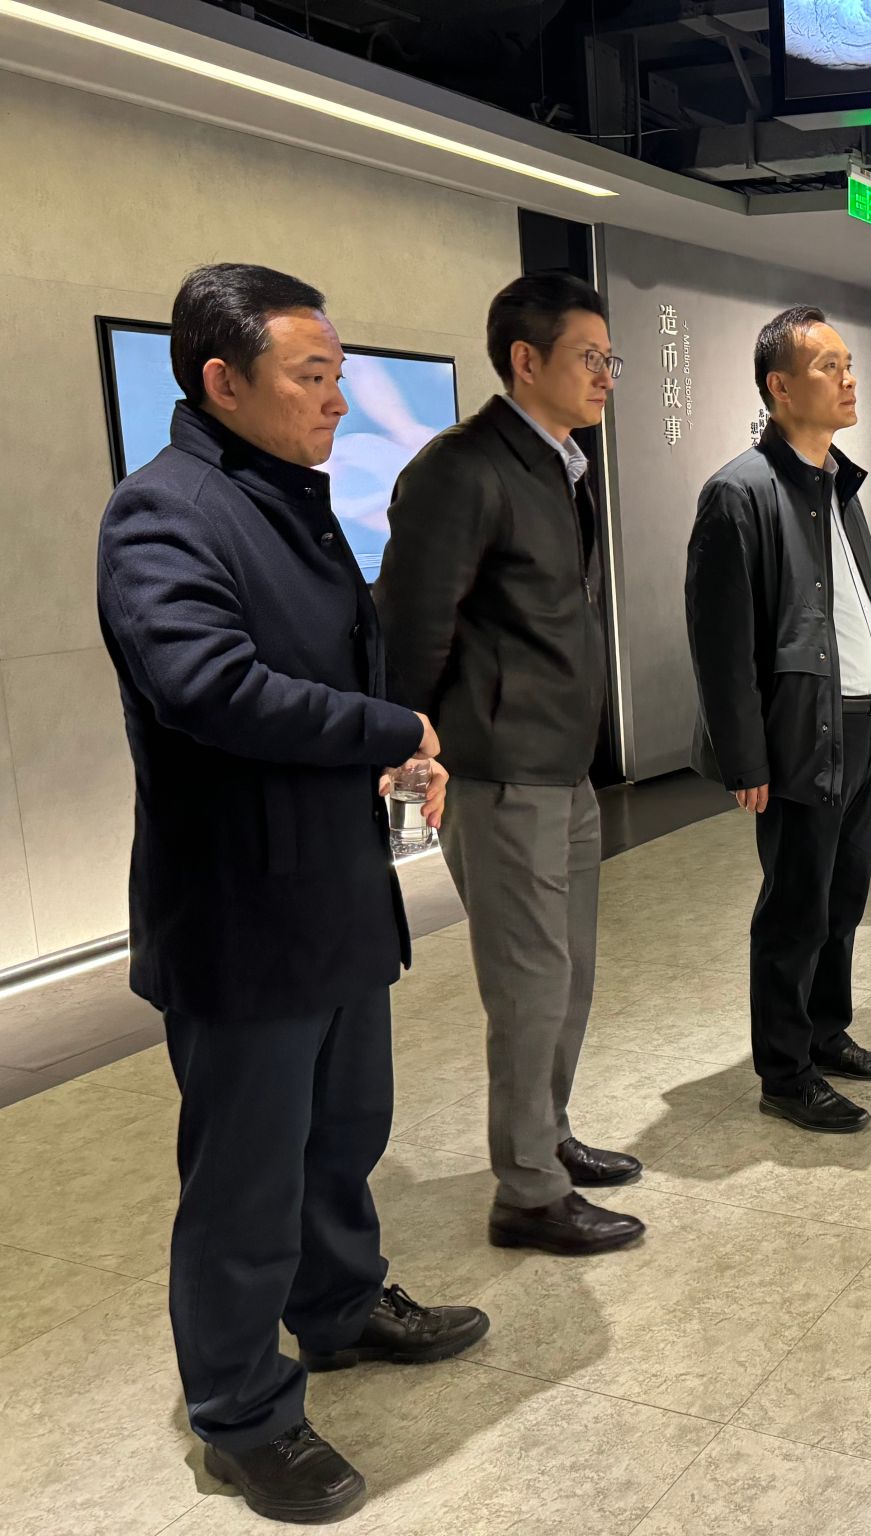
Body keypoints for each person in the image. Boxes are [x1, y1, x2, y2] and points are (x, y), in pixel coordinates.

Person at [97, 263, 489, 1526]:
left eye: (339, 376)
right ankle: (242, 1415)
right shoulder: (161, 515)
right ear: (223, 382)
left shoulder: (286, 501)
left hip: (334, 894)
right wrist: (389, 726)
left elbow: (326, 669)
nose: (336, 401)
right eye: (312, 377)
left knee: (341, 1136)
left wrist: (389, 750)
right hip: (240, 915)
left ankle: (337, 1308)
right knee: (244, 1183)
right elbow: (206, 686)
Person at [376, 273, 642, 1257]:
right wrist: (410, 751)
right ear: (526, 361)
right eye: (590, 357)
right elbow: (412, 627)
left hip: (562, 765)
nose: (605, 375)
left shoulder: (560, 464)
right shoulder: (462, 469)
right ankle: (527, 1193)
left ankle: (547, 1134)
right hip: (498, 769)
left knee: (566, 974)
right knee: (529, 983)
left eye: (610, 358)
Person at [686, 305, 871, 1134]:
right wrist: (744, 758)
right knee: (795, 908)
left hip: (859, 724)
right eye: (829, 367)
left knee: (842, 897)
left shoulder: (835, 485)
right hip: (799, 734)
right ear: (779, 388)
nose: (849, 379)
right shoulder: (739, 493)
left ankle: (826, 1032)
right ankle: (785, 1072)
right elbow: (721, 642)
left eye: (849, 364)